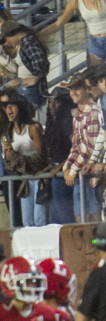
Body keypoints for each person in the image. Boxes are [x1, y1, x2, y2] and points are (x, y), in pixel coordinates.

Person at [62, 72, 106, 223]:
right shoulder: (77, 113)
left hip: (93, 170)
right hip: (82, 169)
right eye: (70, 89)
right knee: (80, 214)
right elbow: (75, 145)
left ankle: (96, 244)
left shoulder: (93, 111)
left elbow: (89, 147)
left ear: (86, 90)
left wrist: (72, 170)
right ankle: (87, 244)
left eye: (77, 88)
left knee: (94, 214)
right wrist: (67, 168)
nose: (73, 92)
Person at [0, 95, 49, 228]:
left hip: (39, 178)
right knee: (27, 221)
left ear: (20, 108)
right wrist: (8, 153)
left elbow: (42, 157)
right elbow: (11, 165)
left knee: (39, 220)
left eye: (12, 106)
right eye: (6, 107)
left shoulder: (33, 128)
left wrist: (17, 159)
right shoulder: (9, 132)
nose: (8, 110)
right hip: (25, 180)